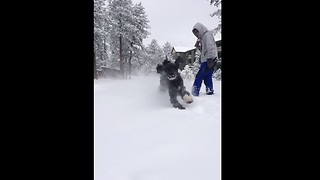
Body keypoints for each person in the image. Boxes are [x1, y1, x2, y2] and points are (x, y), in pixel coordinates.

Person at [191, 22, 218, 96]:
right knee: (207, 77)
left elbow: (211, 48)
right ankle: (210, 90)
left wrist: (210, 59)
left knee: (199, 76)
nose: (196, 35)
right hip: (209, 60)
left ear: (200, 30)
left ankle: (194, 92)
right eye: (195, 34)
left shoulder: (207, 35)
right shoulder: (203, 37)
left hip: (208, 60)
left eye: (197, 33)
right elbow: (205, 50)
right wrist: (199, 47)